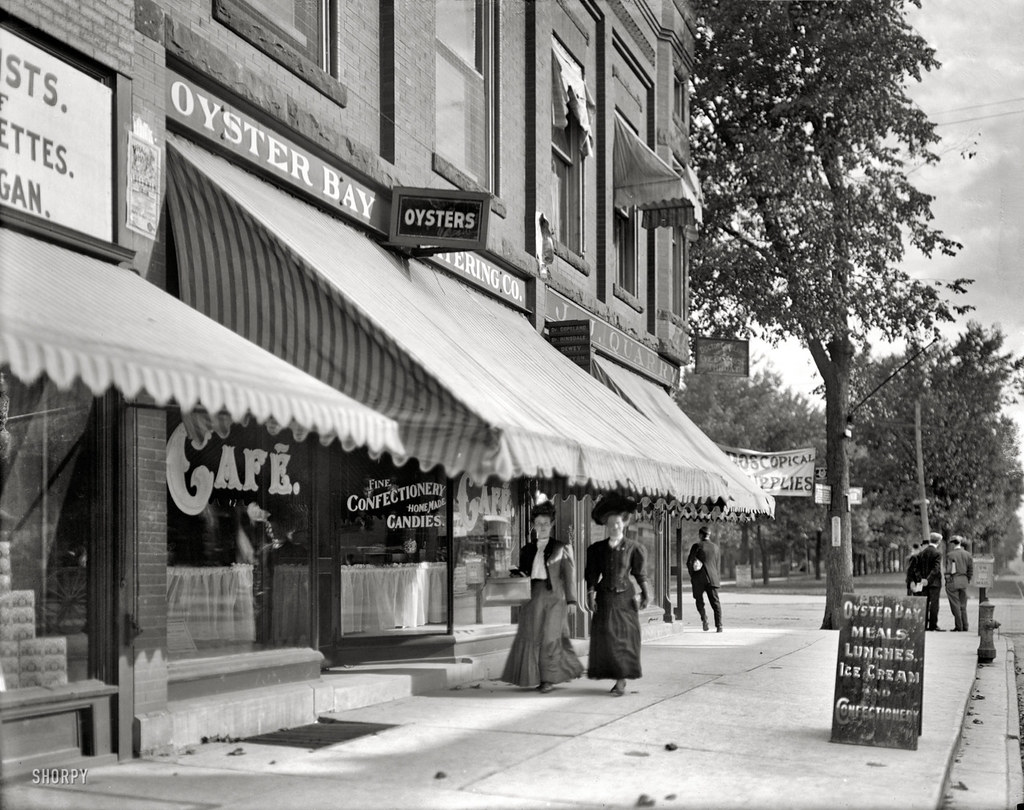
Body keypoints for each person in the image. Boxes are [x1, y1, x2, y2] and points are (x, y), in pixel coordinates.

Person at [501, 499, 583, 693]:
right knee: (531, 636)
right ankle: (534, 677)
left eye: (546, 523)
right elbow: (523, 573)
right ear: (533, 525)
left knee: (551, 637)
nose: (542, 527)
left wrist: (572, 600)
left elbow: (569, 576)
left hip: (556, 598)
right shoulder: (526, 549)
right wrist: (516, 574)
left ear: (552, 524)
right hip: (532, 597)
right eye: (538, 524)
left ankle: (548, 679)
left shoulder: (562, 548)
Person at [585, 493, 649, 696]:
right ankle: (613, 674)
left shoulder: (634, 548)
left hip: (625, 599)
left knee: (624, 639)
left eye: (618, 523)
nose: (615, 527)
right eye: (611, 524)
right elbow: (592, 575)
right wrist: (590, 594)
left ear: (624, 524)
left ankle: (621, 681)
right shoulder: (597, 549)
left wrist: (646, 594)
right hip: (604, 599)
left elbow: (640, 574)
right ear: (605, 525)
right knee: (607, 639)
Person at [686, 525, 723, 632]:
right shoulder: (716, 548)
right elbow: (717, 565)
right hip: (712, 578)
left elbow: (689, 562)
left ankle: (704, 618)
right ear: (709, 535)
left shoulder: (697, 546)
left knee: (699, 600)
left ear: (700, 535)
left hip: (699, 578)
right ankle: (719, 626)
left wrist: (692, 574)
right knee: (715, 603)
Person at [945, 535, 974, 632]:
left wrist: (947, 579)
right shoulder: (968, 554)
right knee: (963, 605)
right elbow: (970, 570)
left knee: (955, 605)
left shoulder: (950, 555)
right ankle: (965, 626)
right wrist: (967, 579)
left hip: (954, 580)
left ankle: (959, 626)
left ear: (953, 543)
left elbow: (949, 570)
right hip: (964, 581)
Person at [917, 532, 944, 631]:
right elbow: (935, 569)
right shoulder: (937, 553)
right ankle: (933, 625)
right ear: (939, 541)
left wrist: (922, 579)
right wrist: (929, 580)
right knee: (934, 604)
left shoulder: (922, 553)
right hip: (934, 583)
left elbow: (917, 569)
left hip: (924, 583)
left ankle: (924, 625)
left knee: (925, 603)